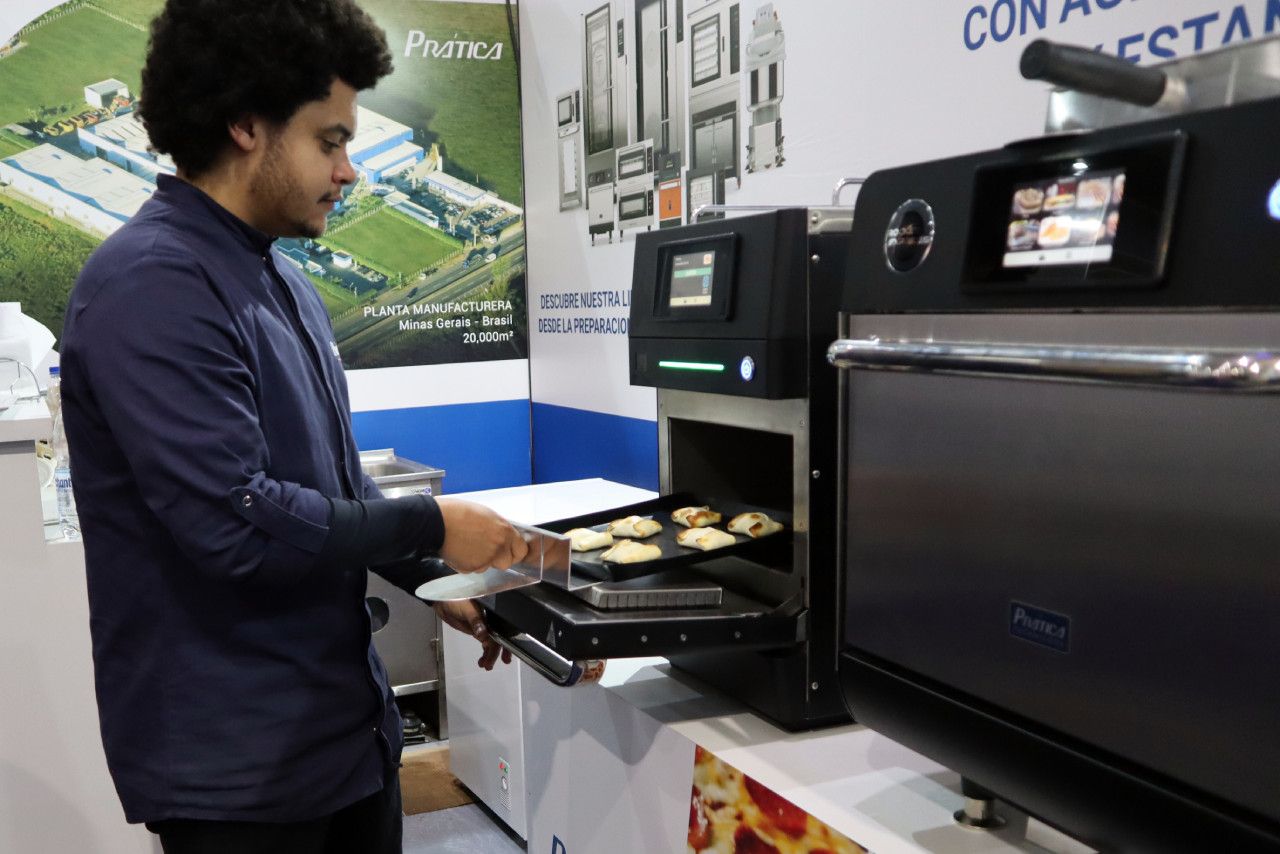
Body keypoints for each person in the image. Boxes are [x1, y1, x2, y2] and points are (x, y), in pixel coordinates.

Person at [58, 1, 526, 851]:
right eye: (329, 140)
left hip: (341, 736)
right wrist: (436, 523)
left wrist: (432, 577)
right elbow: (239, 525)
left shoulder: (279, 281)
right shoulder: (152, 284)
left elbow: (330, 493)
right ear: (245, 124)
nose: (349, 170)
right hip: (242, 775)